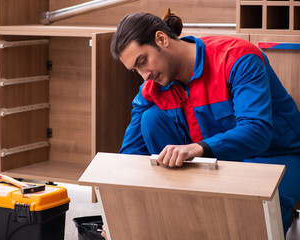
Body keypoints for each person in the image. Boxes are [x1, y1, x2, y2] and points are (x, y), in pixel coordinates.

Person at [110, 8, 300, 235]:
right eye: (136, 70)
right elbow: (131, 152)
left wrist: (197, 148)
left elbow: (256, 132)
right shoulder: (153, 86)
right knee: (151, 119)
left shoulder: (238, 58)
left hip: (277, 156)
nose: (144, 75)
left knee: (252, 212)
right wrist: (118, 213)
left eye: (143, 61)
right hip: (215, 160)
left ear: (161, 39)